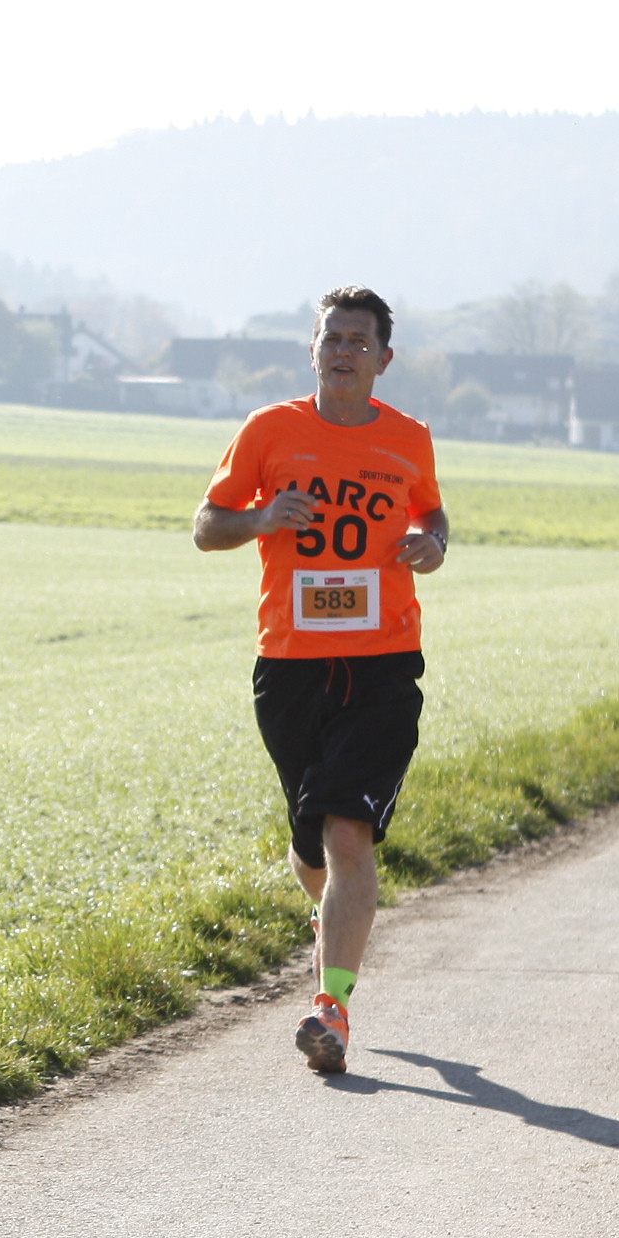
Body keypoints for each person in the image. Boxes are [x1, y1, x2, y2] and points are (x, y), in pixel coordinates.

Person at [194, 287, 451, 1071]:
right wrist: (261, 519)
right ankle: (332, 919)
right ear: (313, 350)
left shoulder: (409, 438)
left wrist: (432, 543)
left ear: (384, 358)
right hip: (290, 667)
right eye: (331, 338)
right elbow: (208, 526)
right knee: (312, 844)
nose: (344, 351)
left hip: (382, 665)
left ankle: (331, 1008)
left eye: (358, 341)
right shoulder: (268, 430)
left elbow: (432, 514)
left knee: (347, 831)